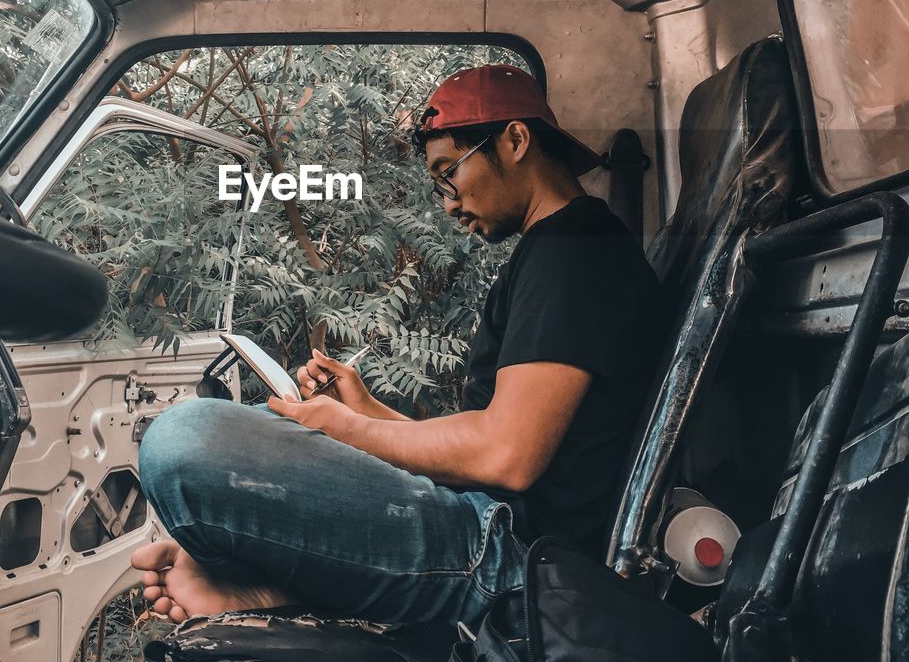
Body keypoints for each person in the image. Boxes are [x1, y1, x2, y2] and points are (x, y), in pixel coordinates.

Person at [130, 63, 664, 633]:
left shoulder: (575, 251)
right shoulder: (561, 248)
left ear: (514, 140)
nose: (448, 203)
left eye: (447, 173)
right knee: (253, 429)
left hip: (511, 556)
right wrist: (367, 412)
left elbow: (507, 456)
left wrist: (345, 428)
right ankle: (279, 579)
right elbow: (497, 436)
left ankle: (286, 578)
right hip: (491, 521)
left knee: (181, 440)